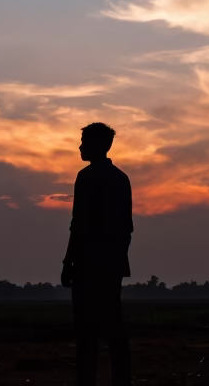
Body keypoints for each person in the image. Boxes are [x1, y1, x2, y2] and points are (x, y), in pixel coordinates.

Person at [61, 122, 133, 386]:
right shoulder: (121, 178)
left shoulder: (87, 176)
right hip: (111, 264)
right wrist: (116, 258)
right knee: (113, 325)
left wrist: (69, 261)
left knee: (86, 330)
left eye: (84, 141)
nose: (80, 146)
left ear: (98, 145)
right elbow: (127, 228)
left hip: (88, 264)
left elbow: (78, 223)